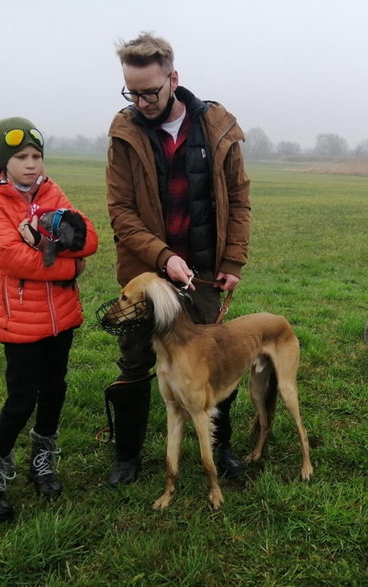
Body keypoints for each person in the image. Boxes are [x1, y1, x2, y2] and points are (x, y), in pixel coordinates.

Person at [104, 32, 251, 488]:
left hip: (205, 272)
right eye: (133, 91)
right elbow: (121, 214)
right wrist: (163, 257)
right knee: (135, 361)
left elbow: (240, 199)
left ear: (174, 78)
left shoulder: (217, 126)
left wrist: (233, 260)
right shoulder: (124, 134)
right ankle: (127, 455)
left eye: (151, 91)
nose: (142, 101)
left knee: (212, 355)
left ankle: (222, 448)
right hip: (147, 274)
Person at [0, 117, 98, 520]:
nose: (31, 164)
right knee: (21, 398)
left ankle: (42, 460)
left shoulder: (51, 191)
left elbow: (89, 238)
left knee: (54, 389)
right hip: (21, 321)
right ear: (3, 160)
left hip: (61, 316)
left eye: (37, 156)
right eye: (21, 157)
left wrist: (54, 244)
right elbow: (12, 258)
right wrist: (70, 266)